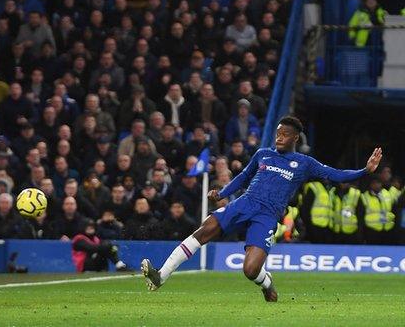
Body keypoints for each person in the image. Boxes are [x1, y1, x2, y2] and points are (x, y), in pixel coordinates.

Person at [141, 116, 382, 302]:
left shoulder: (305, 163)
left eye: (285, 135)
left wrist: (364, 171)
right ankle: (161, 275)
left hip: (267, 215)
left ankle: (267, 284)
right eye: (278, 133)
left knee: (250, 269)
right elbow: (244, 177)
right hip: (245, 203)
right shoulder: (263, 154)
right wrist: (222, 194)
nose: (279, 137)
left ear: (295, 138)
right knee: (207, 228)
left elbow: (335, 175)